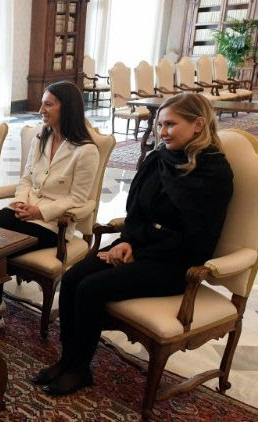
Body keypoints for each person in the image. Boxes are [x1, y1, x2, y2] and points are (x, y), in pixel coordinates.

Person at [34, 92, 233, 396]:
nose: (162, 132)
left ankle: (81, 368)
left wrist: (136, 249)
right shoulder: (158, 158)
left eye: (170, 124)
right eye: (159, 124)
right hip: (137, 247)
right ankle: (68, 359)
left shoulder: (213, 172)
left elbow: (197, 240)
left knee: (91, 288)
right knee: (73, 277)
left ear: (198, 125)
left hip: (174, 264)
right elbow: (136, 212)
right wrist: (125, 242)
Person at [0, 81, 100, 331]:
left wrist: (39, 211)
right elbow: (26, 178)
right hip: (26, 210)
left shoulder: (86, 151)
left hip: (51, 224)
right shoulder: (41, 136)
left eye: (48, 104)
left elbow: (79, 199)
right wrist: (21, 202)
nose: (41, 110)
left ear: (66, 108)